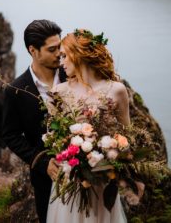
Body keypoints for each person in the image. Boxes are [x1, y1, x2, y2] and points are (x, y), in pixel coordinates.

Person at [46, 29, 129, 223]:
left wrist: (110, 154)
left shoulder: (116, 90)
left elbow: (127, 138)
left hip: (103, 182)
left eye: (65, 56)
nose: (61, 62)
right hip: (70, 181)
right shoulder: (58, 93)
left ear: (79, 55)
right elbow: (54, 140)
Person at [2, 20, 66, 223]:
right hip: (45, 180)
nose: (59, 54)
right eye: (52, 49)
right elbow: (10, 134)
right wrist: (40, 162)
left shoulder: (73, 74)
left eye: (60, 47)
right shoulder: (15, 90)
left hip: (84, 173)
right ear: (33, 50)